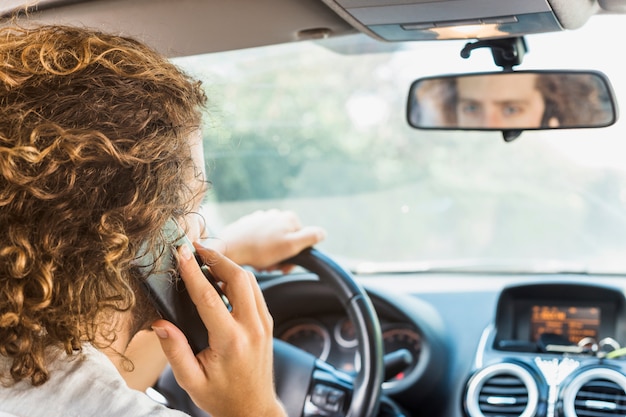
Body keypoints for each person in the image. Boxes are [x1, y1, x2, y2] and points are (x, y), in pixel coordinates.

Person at [0, 24, 325, 417]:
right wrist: (252, 405)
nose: (199, 232)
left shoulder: (25, 358)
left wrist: (234, 248)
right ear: (133, 232)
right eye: (191, 208)